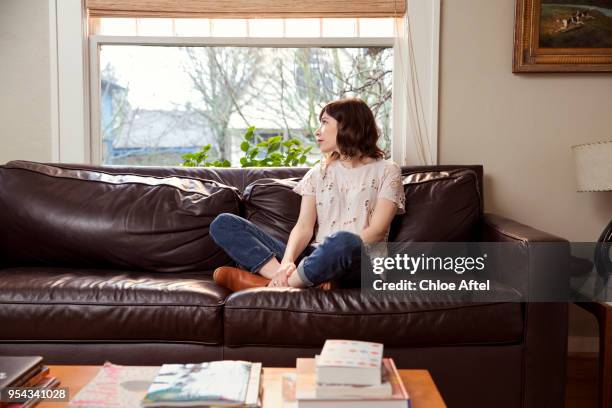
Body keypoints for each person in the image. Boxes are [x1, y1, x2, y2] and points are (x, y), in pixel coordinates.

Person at [210, 98, 405, 291]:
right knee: (224, 223)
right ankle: (287, 278)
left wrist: (335, 254)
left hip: (360, 261)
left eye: (324, 122)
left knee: (344, 240)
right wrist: (287, 262)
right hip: (312, 260)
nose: (317, 131)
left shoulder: (388, 170)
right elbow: (304, 226)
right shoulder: (318, 172)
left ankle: (275, 286)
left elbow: (378, 231)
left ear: (347, 125)